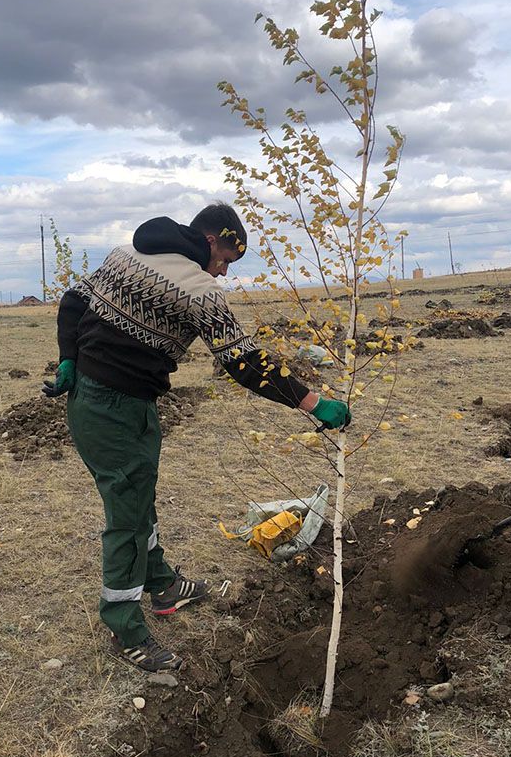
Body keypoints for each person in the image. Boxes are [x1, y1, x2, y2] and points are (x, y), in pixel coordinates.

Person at [44, 203, 350, 672]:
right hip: (107, 407)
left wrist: (69, 356)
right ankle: (124, 626)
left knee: (139, 499)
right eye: (227, 259)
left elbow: (72, 301)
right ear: (211, 240)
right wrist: (313, 402)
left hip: (129, 402)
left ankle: (163, 584)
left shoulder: (124, 254)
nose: (225, 272)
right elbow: (243, 363)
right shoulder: (198, 289)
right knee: (126, 515)